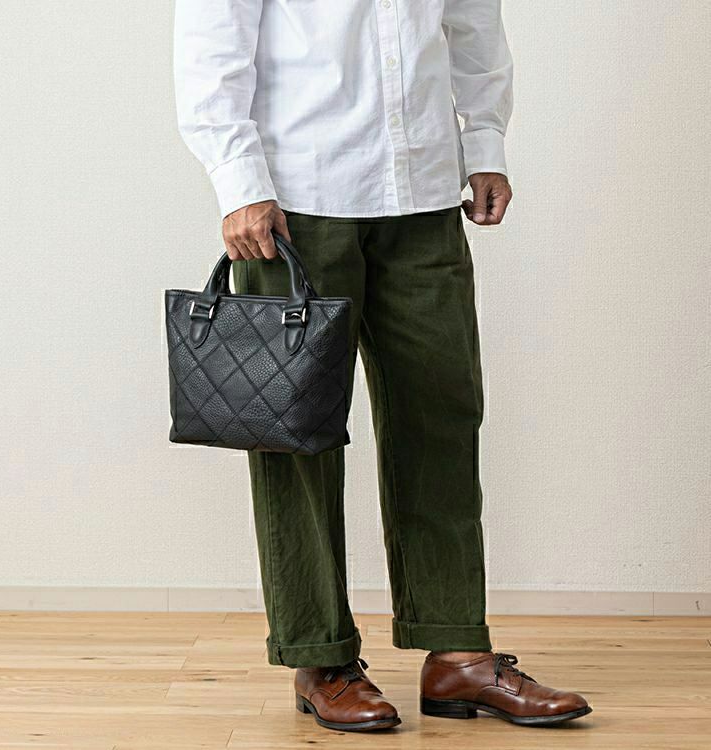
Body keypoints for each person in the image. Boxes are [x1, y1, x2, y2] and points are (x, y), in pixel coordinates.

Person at [173, 0, 592, 733]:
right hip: (296, 200)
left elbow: (472, 23)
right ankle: (320, 658)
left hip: (424, 190)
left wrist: (484, 141)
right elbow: (213, 43)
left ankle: (457, 652)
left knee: (441, 416)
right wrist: (238, 181)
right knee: (294, 436)